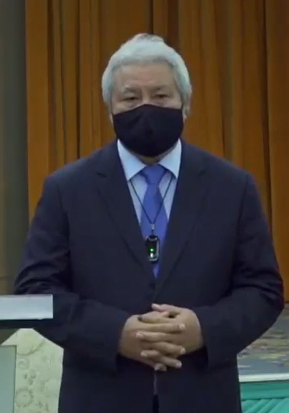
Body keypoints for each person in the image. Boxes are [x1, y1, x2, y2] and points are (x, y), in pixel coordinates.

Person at [14, 33, 284, 413]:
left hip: (203, 396)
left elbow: (263, 290)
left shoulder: (232, 187)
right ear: (110, 109)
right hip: (101, 396)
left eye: (160, 97)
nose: (146, 108)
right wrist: (116, 334)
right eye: (130, 98)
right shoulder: (68, 189)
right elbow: (36, 290)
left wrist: (203, 329)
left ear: (185, 104)